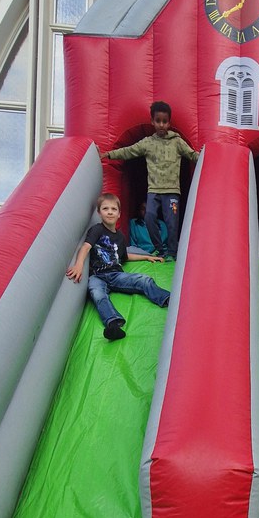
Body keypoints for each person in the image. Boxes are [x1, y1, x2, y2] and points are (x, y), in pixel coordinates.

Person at [101, 100, 199, 260]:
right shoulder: (148, 143)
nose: (161, 125)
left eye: (165, 121)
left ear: (169, 122)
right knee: (149, 217)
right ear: (152, 121)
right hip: (154, 190)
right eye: (158, 121)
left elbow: (192, 155)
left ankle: (172, 252)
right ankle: (160, 249)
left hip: (172, 191)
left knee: (171, 221)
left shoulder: (177, 141)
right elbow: (129, 151)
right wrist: (109, 154)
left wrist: (203, 155)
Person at [66, 193, 169, 341]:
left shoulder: (120, 237)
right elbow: (85, 247)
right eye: (105, 208)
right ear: (99, 212)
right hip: (97, 276)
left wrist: (147, 256)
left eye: (113, 209)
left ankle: (166, 299)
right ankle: (113, 323)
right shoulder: (97, 230)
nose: (109, 212)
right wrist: (79, 265)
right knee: (98, 294)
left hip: (115, 274)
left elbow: (125, 256)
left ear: (119, 214)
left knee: (144, 279)